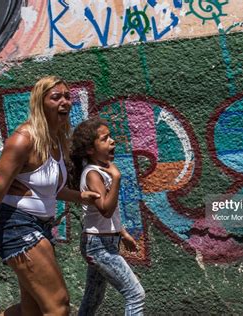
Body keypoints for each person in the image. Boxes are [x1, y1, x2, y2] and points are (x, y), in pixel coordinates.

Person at [0, 76, 100, 316]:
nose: (65, 102)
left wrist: (81, 197)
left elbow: (48, 189)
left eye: (67, 96)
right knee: (58, 306)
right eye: (56, 97)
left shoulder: (58, 140)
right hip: (16, 225)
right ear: (41, 103)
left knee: (31, 311)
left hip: (40, 226)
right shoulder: (23, 140)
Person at [69, 117, 145, 316]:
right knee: (135, 294)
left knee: (92, 300)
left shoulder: (100, 172)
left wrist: (123, 233)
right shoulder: (93, 174)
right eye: (104, 139)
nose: (112, 141)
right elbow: (105, 209)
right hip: (99, 245)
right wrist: (117, 178)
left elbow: (106, 215)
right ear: (90, 150)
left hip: (103, 242)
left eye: (110, 137)